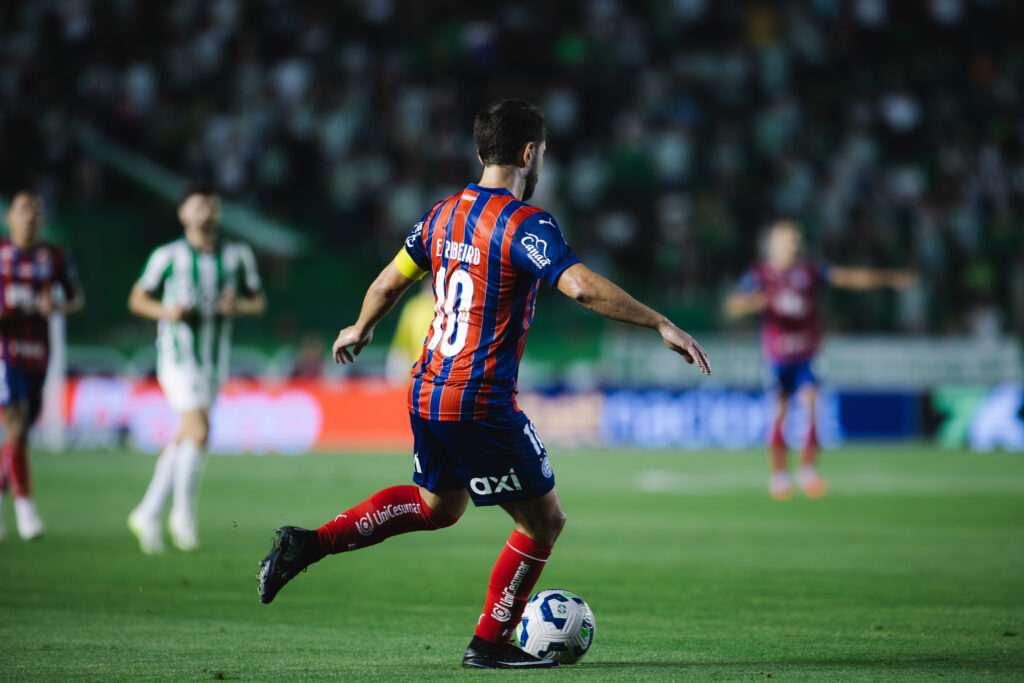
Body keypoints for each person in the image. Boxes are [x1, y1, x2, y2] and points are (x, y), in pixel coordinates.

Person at [257, 99, 711, 669]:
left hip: (426, 389)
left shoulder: (441, 215)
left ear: (480, 152)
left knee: (438, 506)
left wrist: (361, 327)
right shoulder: (525, 223)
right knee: (544, 521)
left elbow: (389, 282)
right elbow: (579, 287)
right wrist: (659, 322)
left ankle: (308, 543)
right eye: (542, 153)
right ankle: (489, 642)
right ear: (530, 153)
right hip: (477, 398)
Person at [725, 219, 914, 500]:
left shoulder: (809, 271)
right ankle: (778, 475)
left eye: (796, 240)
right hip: (776, 355)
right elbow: (733, 306)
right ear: (773, 244)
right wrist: (757, 301)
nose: (793, 245)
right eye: (787, 239)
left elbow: (849, 278)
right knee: (779, 412)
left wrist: (888, 278)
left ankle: (807, 470)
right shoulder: (760, 274)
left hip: (806, 353)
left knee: (812, 407)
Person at [127, 186, 265, 553]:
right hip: (177, 357)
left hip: (214, 361)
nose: (206, 213)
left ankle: (147, 512)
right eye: (199, 206)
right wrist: (167, 312)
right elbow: (137, 299)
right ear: (183, 214)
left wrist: (239, 307)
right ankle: (182, 517)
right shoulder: (168, 256)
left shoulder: (237, 255)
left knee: (188, 435)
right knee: (200, 429)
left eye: (212, 207)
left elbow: (258, 301)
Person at [0, 191, 84, 541]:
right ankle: (26, 510)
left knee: (20, 434)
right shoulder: (1, 255)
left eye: (36, 211)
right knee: (17, 425)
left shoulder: (55, 256)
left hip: (39, 353)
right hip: (5, 352)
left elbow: (77, 298)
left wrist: (58, 307)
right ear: (10, 218)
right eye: (23, 210)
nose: (30, 217)